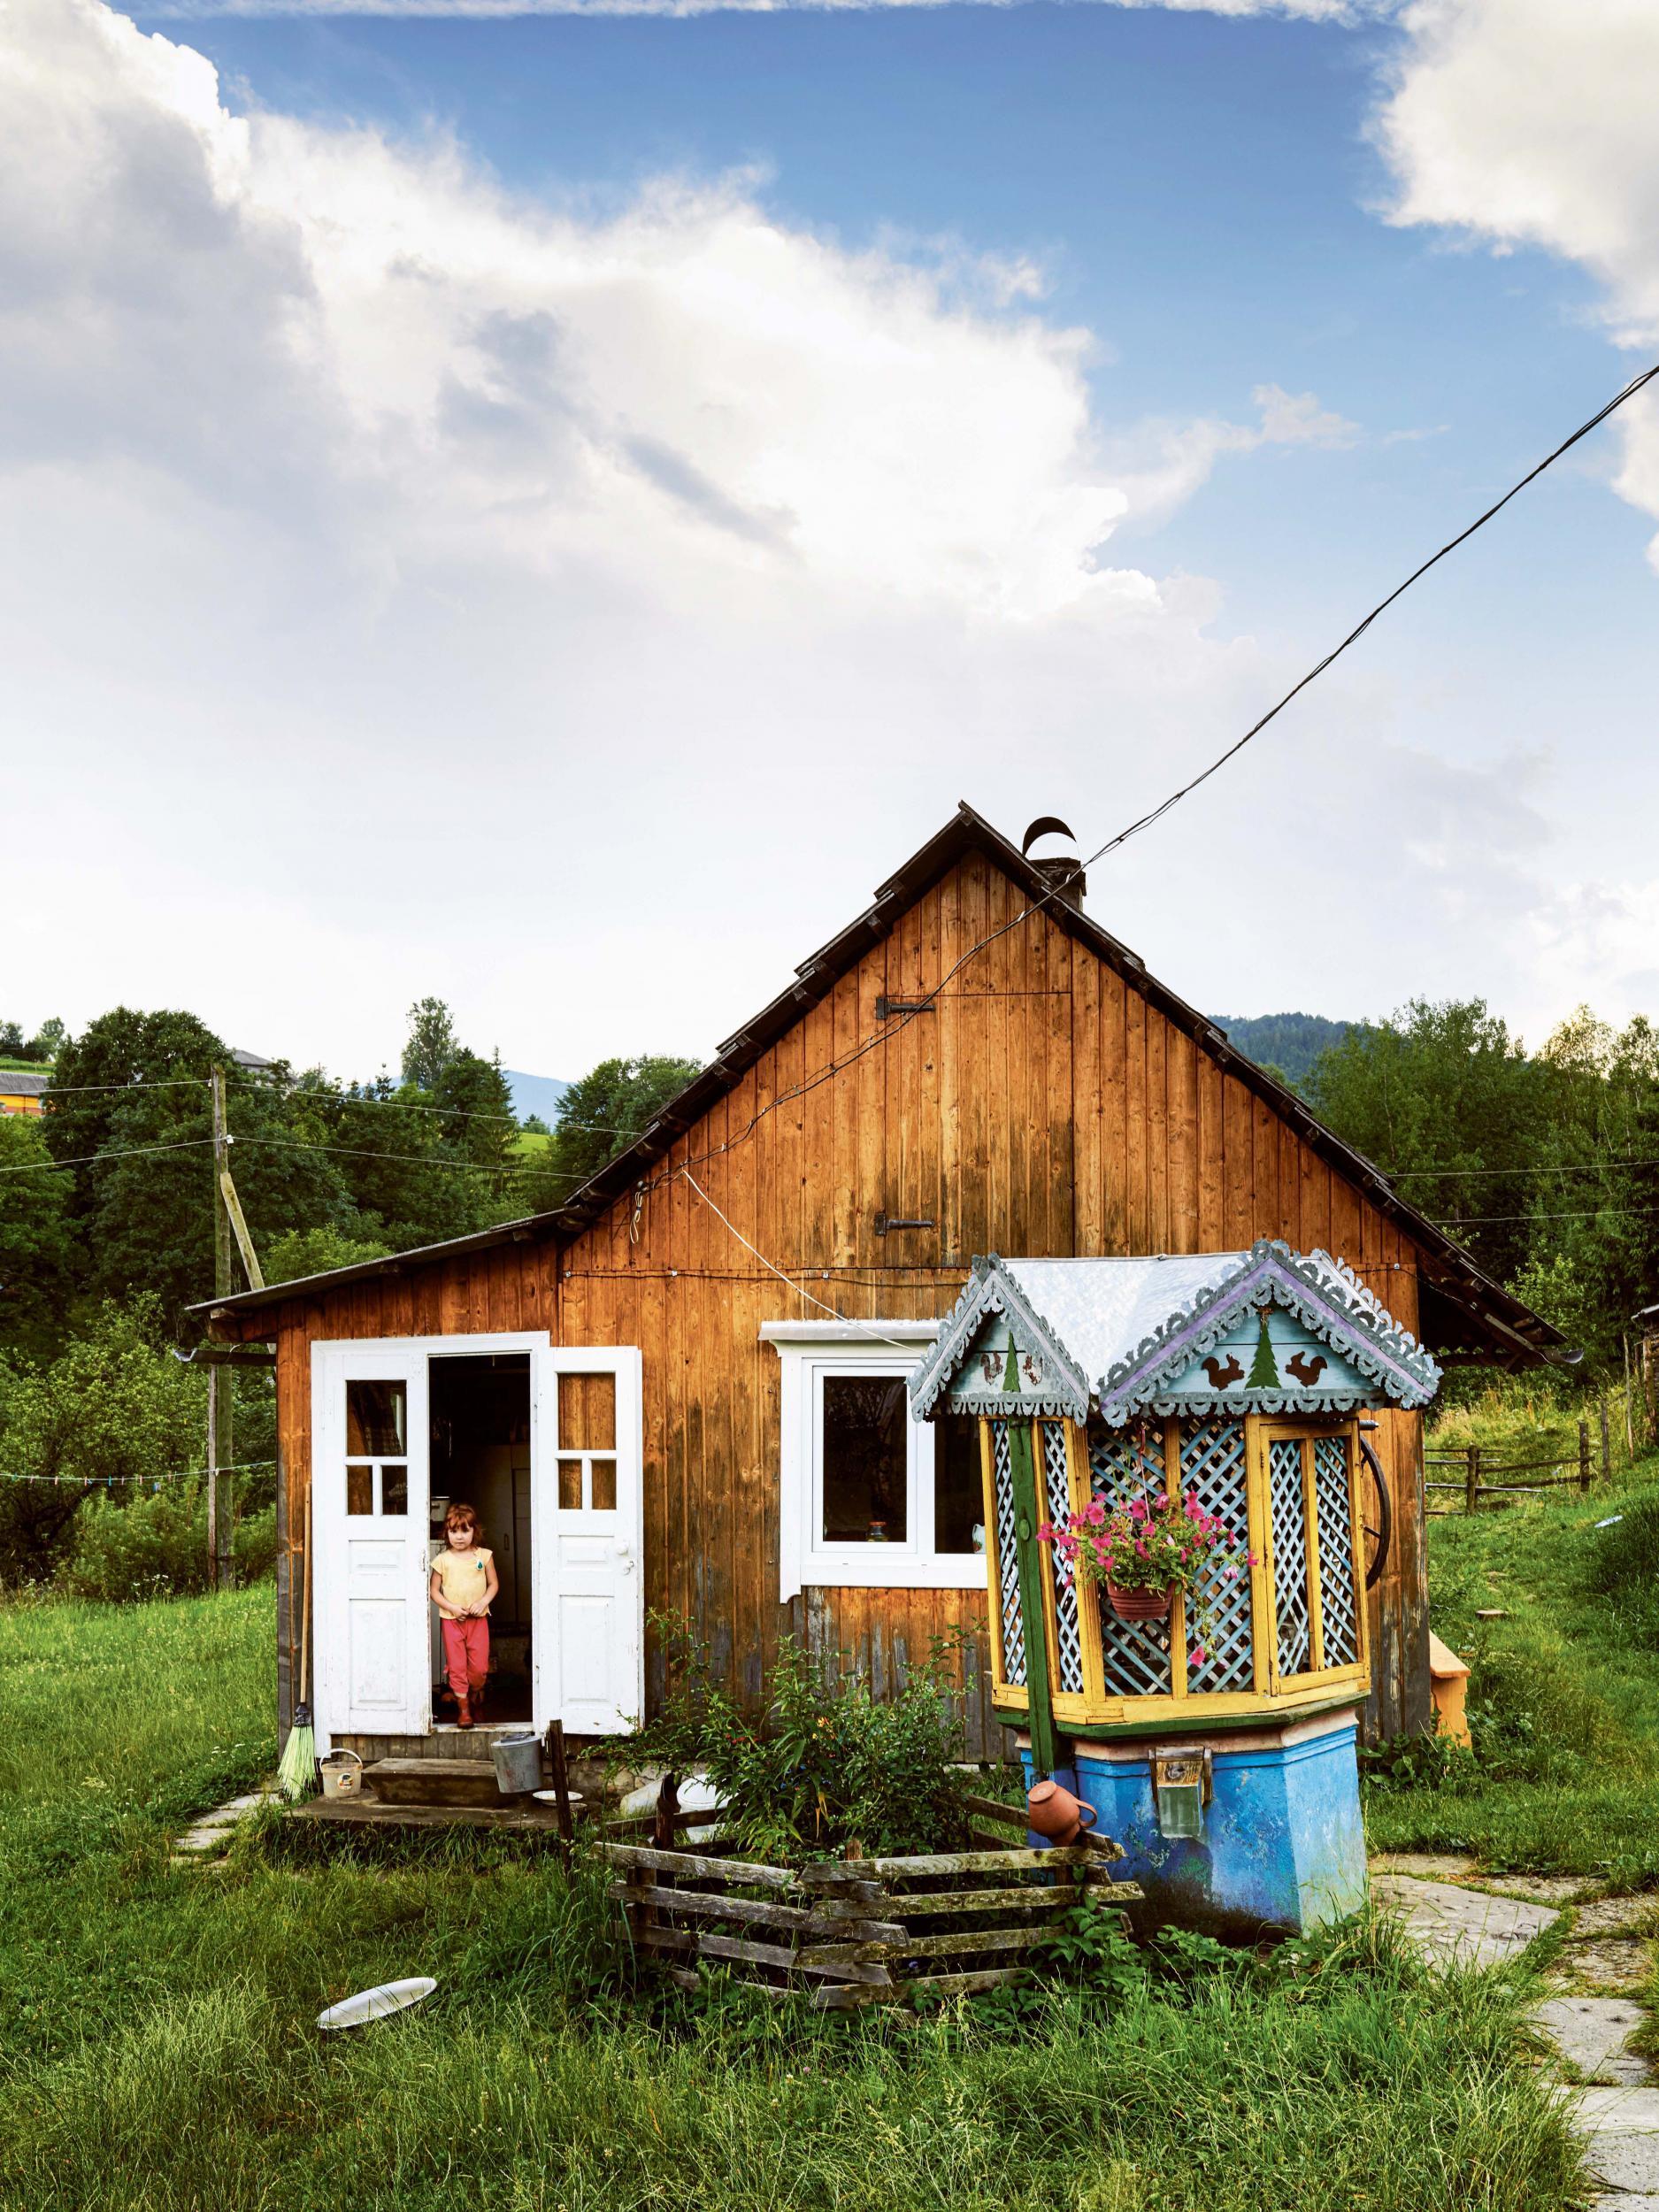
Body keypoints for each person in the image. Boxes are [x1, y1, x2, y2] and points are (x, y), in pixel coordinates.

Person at [428, 1502, 498, 1729]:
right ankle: (464, 1709)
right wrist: (452, 1608)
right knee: (457, 1666)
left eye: (465, 1530)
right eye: (454, 1531)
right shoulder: (442, 1560)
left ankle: (477, 1691)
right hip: (452, 1621)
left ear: (474, 1531)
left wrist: (483, 1602)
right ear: (447, 1533)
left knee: (479, 1669)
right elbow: (433, 1591)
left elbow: (494, 1584)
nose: (459, 1536)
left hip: (478, 1620)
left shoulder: (484, 1556)